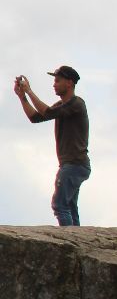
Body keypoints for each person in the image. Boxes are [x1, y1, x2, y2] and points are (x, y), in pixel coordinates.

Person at [14, 66, 91, 226]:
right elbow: (35, 118)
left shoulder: (76, 103)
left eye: (57, 81)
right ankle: (78, 237)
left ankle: (69, 239)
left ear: (69, 83)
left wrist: (29, 91)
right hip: (75, 165)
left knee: (59, 205)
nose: (54, 84)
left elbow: (47, 112)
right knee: (70, 206)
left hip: (74, 165)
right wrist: (23, 97)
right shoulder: (62, 105)